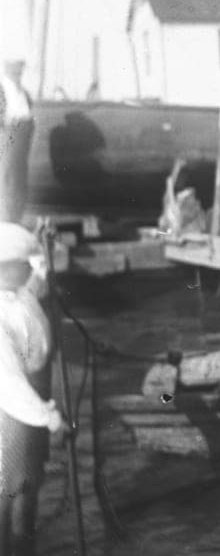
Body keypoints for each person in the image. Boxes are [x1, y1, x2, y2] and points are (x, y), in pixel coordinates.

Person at [0, 222, 66, 556]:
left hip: (32, 401)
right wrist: (50, 418)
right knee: (13, 491)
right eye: (21, 264)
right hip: (12, 413)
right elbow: (9, 385)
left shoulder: (21, 292)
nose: (29, 267)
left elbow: (39, 274)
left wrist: (45, 247)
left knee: (29, 485)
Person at [0, 57, 35, 223]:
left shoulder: (24, 93)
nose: (19, 73)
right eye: (15, 69)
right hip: (7, 138)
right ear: (7, 69)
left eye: (20, 69)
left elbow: (28, 115)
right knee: (7, 178)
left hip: (23, 139)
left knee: (19, 179)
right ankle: (6, 219)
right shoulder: (2, 89)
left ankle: (15, 218)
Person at [158, 157, 207, 239]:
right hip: (176, 227)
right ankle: (178, 165)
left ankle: (178, 165)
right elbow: (170, 201)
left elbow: (169, 200)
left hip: (178, 227)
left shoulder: (172, 217)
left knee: (170, 198)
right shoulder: (173, 216)